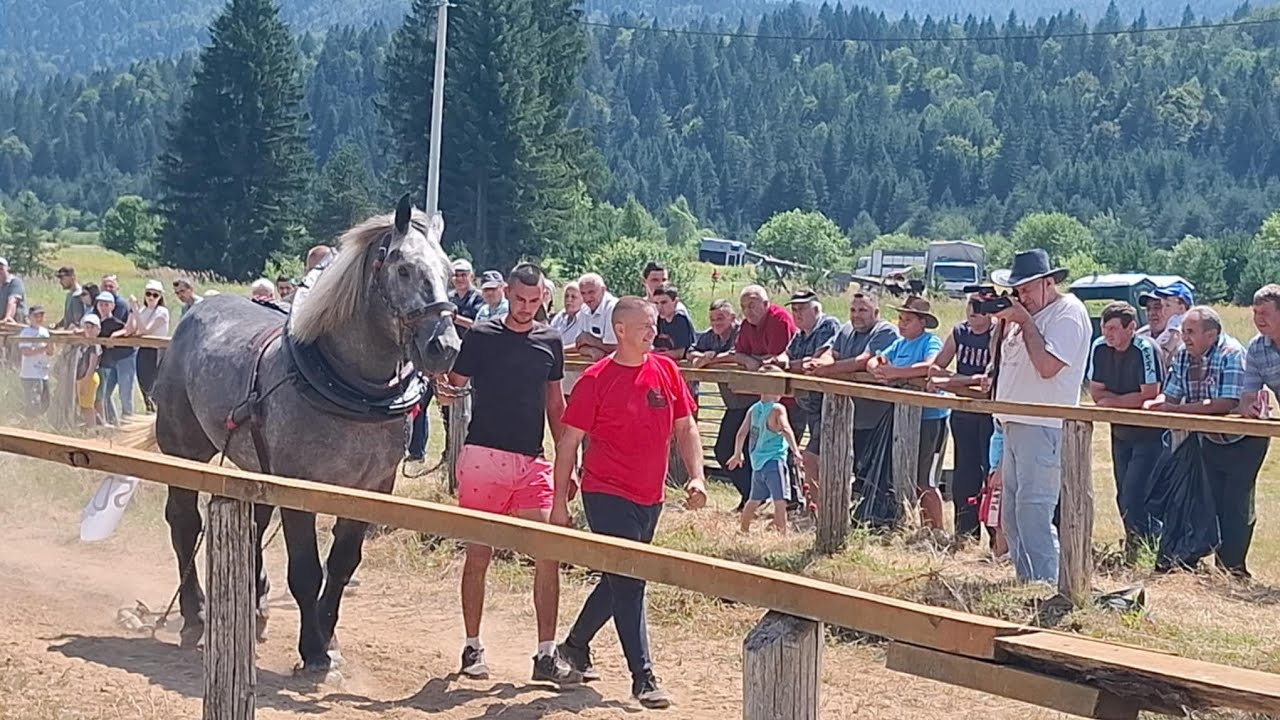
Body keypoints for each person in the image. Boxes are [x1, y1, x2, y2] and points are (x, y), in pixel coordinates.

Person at [552, 296, 708, 710]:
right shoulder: (596, 379)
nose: (653, 333)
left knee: (618, 577)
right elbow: (568, 443)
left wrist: (697, 475)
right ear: (620, 330)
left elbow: (686, 427)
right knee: (630, 579)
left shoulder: (667, 371)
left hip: (650, 495)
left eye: (654, 325)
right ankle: (643, 677)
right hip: (605, 492)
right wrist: (559, 502)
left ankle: (574, 646)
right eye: (645, 327)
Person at [439, 263, 580, 684]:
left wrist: (567, 463)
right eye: (520, 299)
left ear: (543, 299)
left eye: (534, 301)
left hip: (532, 460)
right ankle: (472, 646)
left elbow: (555, 405)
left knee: (548, 551)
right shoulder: (482, 336)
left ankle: (546, 654)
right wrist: (440, 384)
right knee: (479, 553)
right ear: (507, 293)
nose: (525, 307)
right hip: (483, 455)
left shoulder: (550, 340)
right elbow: (453, 384)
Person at [989, 249, 1091, 585]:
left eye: (1029, 288)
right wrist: (1004, 324)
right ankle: (1027, 580)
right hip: (1015, 423)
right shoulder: (1026, 318)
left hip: (1043, 425)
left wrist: (1024, 322)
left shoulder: (1068, 313)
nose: (1023, 296)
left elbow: (1048, 367)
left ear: (1049, 283)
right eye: (1018, 290)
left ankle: (1045, 582)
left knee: (1034, 511)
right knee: (1013, 514)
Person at [1145, 306, 1266, 578]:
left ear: (1211, 335)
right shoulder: (1183, 355)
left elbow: (1226, 403)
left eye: (1190, 331)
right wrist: (1155, 403)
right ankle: (1200, 560)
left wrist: (1176, 410)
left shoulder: (1231, 353)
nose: (1184, 337)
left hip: (1244, 440)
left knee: (1235, 504)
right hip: (1210, 438)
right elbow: (1171, 394)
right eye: (1183, 331)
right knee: (1207, 501)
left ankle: (1232, 570)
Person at [1086, 302, 1163, 559]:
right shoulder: (1099, 347)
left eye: (1113, 328)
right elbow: (1096, 392)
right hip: (1120, 431)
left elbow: (1150, 394)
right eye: (1104, 328)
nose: (1107, 334)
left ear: (1131, 328)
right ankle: (1136, 546)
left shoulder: (1145, 349)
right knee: (1122, 493)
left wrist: (1113, 401)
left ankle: (1151, 544)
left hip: (1150, 433)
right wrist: (1124, 400)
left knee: (1136, 493)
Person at [865, 297, 948, 529]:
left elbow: (930, 366)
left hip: (930, 417)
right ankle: (922, 526)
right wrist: (878, 369)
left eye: (908, 320)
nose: (902, 324)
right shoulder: (900, 344)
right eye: (901, 319)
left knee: (925, 479)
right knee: (908, 474)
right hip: (905, 417)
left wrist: (895, 372)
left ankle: (936, 529)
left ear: (922, 322)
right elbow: (874, 360)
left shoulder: (930, 341)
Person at [927, 294, 996, 544]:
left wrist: (950, 381)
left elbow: (993, 375)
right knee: (965, 475)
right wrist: (969, 380)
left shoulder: (998, 333)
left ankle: (997, 538)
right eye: (971, 305)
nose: (974, 311)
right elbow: (935, 369)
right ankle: (966, 535)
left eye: (980, 306)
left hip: (990, 414)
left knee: (991, 474)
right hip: (964, 411)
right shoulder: (959, 332)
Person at [804, 292, 899, 466]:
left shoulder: (885, 331)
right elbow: (831, 353)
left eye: (863, 310)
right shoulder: (846, 328)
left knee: (868, 473)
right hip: (843, 415)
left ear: (876, 312)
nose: (856, 315)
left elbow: (863, 361)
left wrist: (827, 369)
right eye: (853, 310)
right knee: (828, 463)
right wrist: (819, 363)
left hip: (875, 418)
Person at [778, 289, 839, 503]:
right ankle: (815, 505)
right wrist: (782, 361)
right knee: (813, 457)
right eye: (794, 309)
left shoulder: (828, 326)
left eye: (802, 308)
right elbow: (787, 355)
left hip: (829, 405)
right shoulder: (800, 334)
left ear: (816, 309)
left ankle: (821, 506)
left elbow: (814, 362)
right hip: (809, 405)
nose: (797, 313)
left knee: (815, 457)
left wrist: (788, 365)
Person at [689, 300, 752, 499]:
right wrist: (701, 355)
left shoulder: (741, 332)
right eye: (713, 319)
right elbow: (690, 351)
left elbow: (736, 355)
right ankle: (751, 496)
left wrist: (709, 358)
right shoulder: (711, 336)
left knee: (734, 451)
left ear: (733, 318)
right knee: (726, 450)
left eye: (721, 318)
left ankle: (753, 496)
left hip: (751, 402)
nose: (716, 322)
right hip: (733, 404)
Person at [728, 391, 801, 534]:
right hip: (775, 460)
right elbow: (785, 429)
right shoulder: (777, 409)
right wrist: (796, 451)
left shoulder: (753, 409)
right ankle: (782, 533)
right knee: (780, 501)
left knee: (754, 499)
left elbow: (742, 433)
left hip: (758, 463)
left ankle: (743, 529)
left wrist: (737, 454)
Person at [130, 279, 172, 413]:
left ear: (160, 297)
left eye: (155, 295)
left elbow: (145, 330)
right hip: (143, 349)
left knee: (153, 384)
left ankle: (158, 411)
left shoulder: (162, 311)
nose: (151, 297)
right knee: (143, 383)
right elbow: (133, 329)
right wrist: (133, 312)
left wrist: (136, 312)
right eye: (148, 294)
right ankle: (149, 409)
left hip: (156, 350)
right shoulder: (143, 310)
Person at [94, 292, 132, 426]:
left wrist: (115, 335)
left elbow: (127, 330)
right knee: (102, 395)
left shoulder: (115, 323)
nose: (103, 307)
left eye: (106, 305)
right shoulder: (97, 322)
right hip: (101, 362)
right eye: (101, 304)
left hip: (113, 361)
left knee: (113, 394)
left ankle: (121, 422)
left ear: (112, 306)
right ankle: (110, 421)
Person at [550, 281, 590, 398]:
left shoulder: (586, 318)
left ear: (582, 299)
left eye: (574, 297)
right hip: (559, 381)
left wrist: (559, 349)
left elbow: (582, 344)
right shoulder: (559, 317)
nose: (569, 300)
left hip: (576, 380)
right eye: (566, 296)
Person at [17, 306, 53, 416]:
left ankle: (38, 421)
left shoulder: (45, 332)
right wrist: (43, 348)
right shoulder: (26, 333)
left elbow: (50, 352)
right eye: (36, 316)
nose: (39, 318)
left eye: (41, 316)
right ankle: (31, 422)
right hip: (30, 374)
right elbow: (25, 351)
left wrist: (50, 345)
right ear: (29, 317)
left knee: (45, 403)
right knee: (33, 404)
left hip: (43, 373)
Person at [575, 273, 618, 361]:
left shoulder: (613, 308)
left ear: (603, 290)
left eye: (591, 292)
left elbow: (616, 348)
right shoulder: (584, 308)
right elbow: (579, 344)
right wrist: (591, 351)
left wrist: (588, 339)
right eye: (583, 293)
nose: (587, 297)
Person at [650, 283, 696, 360]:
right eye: (656, 303)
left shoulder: (680, 320)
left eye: (664, 302)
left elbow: (680, 353)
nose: (659, 307)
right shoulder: (658, 320)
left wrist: (655, 355)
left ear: (675, 301)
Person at [76, 314, 103, 427]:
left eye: (92, 327)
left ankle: (92, 427)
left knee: (87, 406)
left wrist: (85, 381)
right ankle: (97, 424)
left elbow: (92, 365)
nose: (89, 330)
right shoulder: (86, 344)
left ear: (98, 329)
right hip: (83, 377)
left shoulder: (94, 346)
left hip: (89, 377)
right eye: (87, 327)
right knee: (84, 404)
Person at [448, 259, 485, 331]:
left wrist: (454, 318)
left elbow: (480, 325)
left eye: (463, 275)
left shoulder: (481, 298)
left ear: (472, 276)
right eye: (456, 275)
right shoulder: (448, 298)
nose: (459, 279)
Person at [0, 257, 27, 325]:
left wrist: (8, 317)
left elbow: (12, 301)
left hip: (17, 322)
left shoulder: (15, 282)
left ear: (7, 268)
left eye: (1, 269)